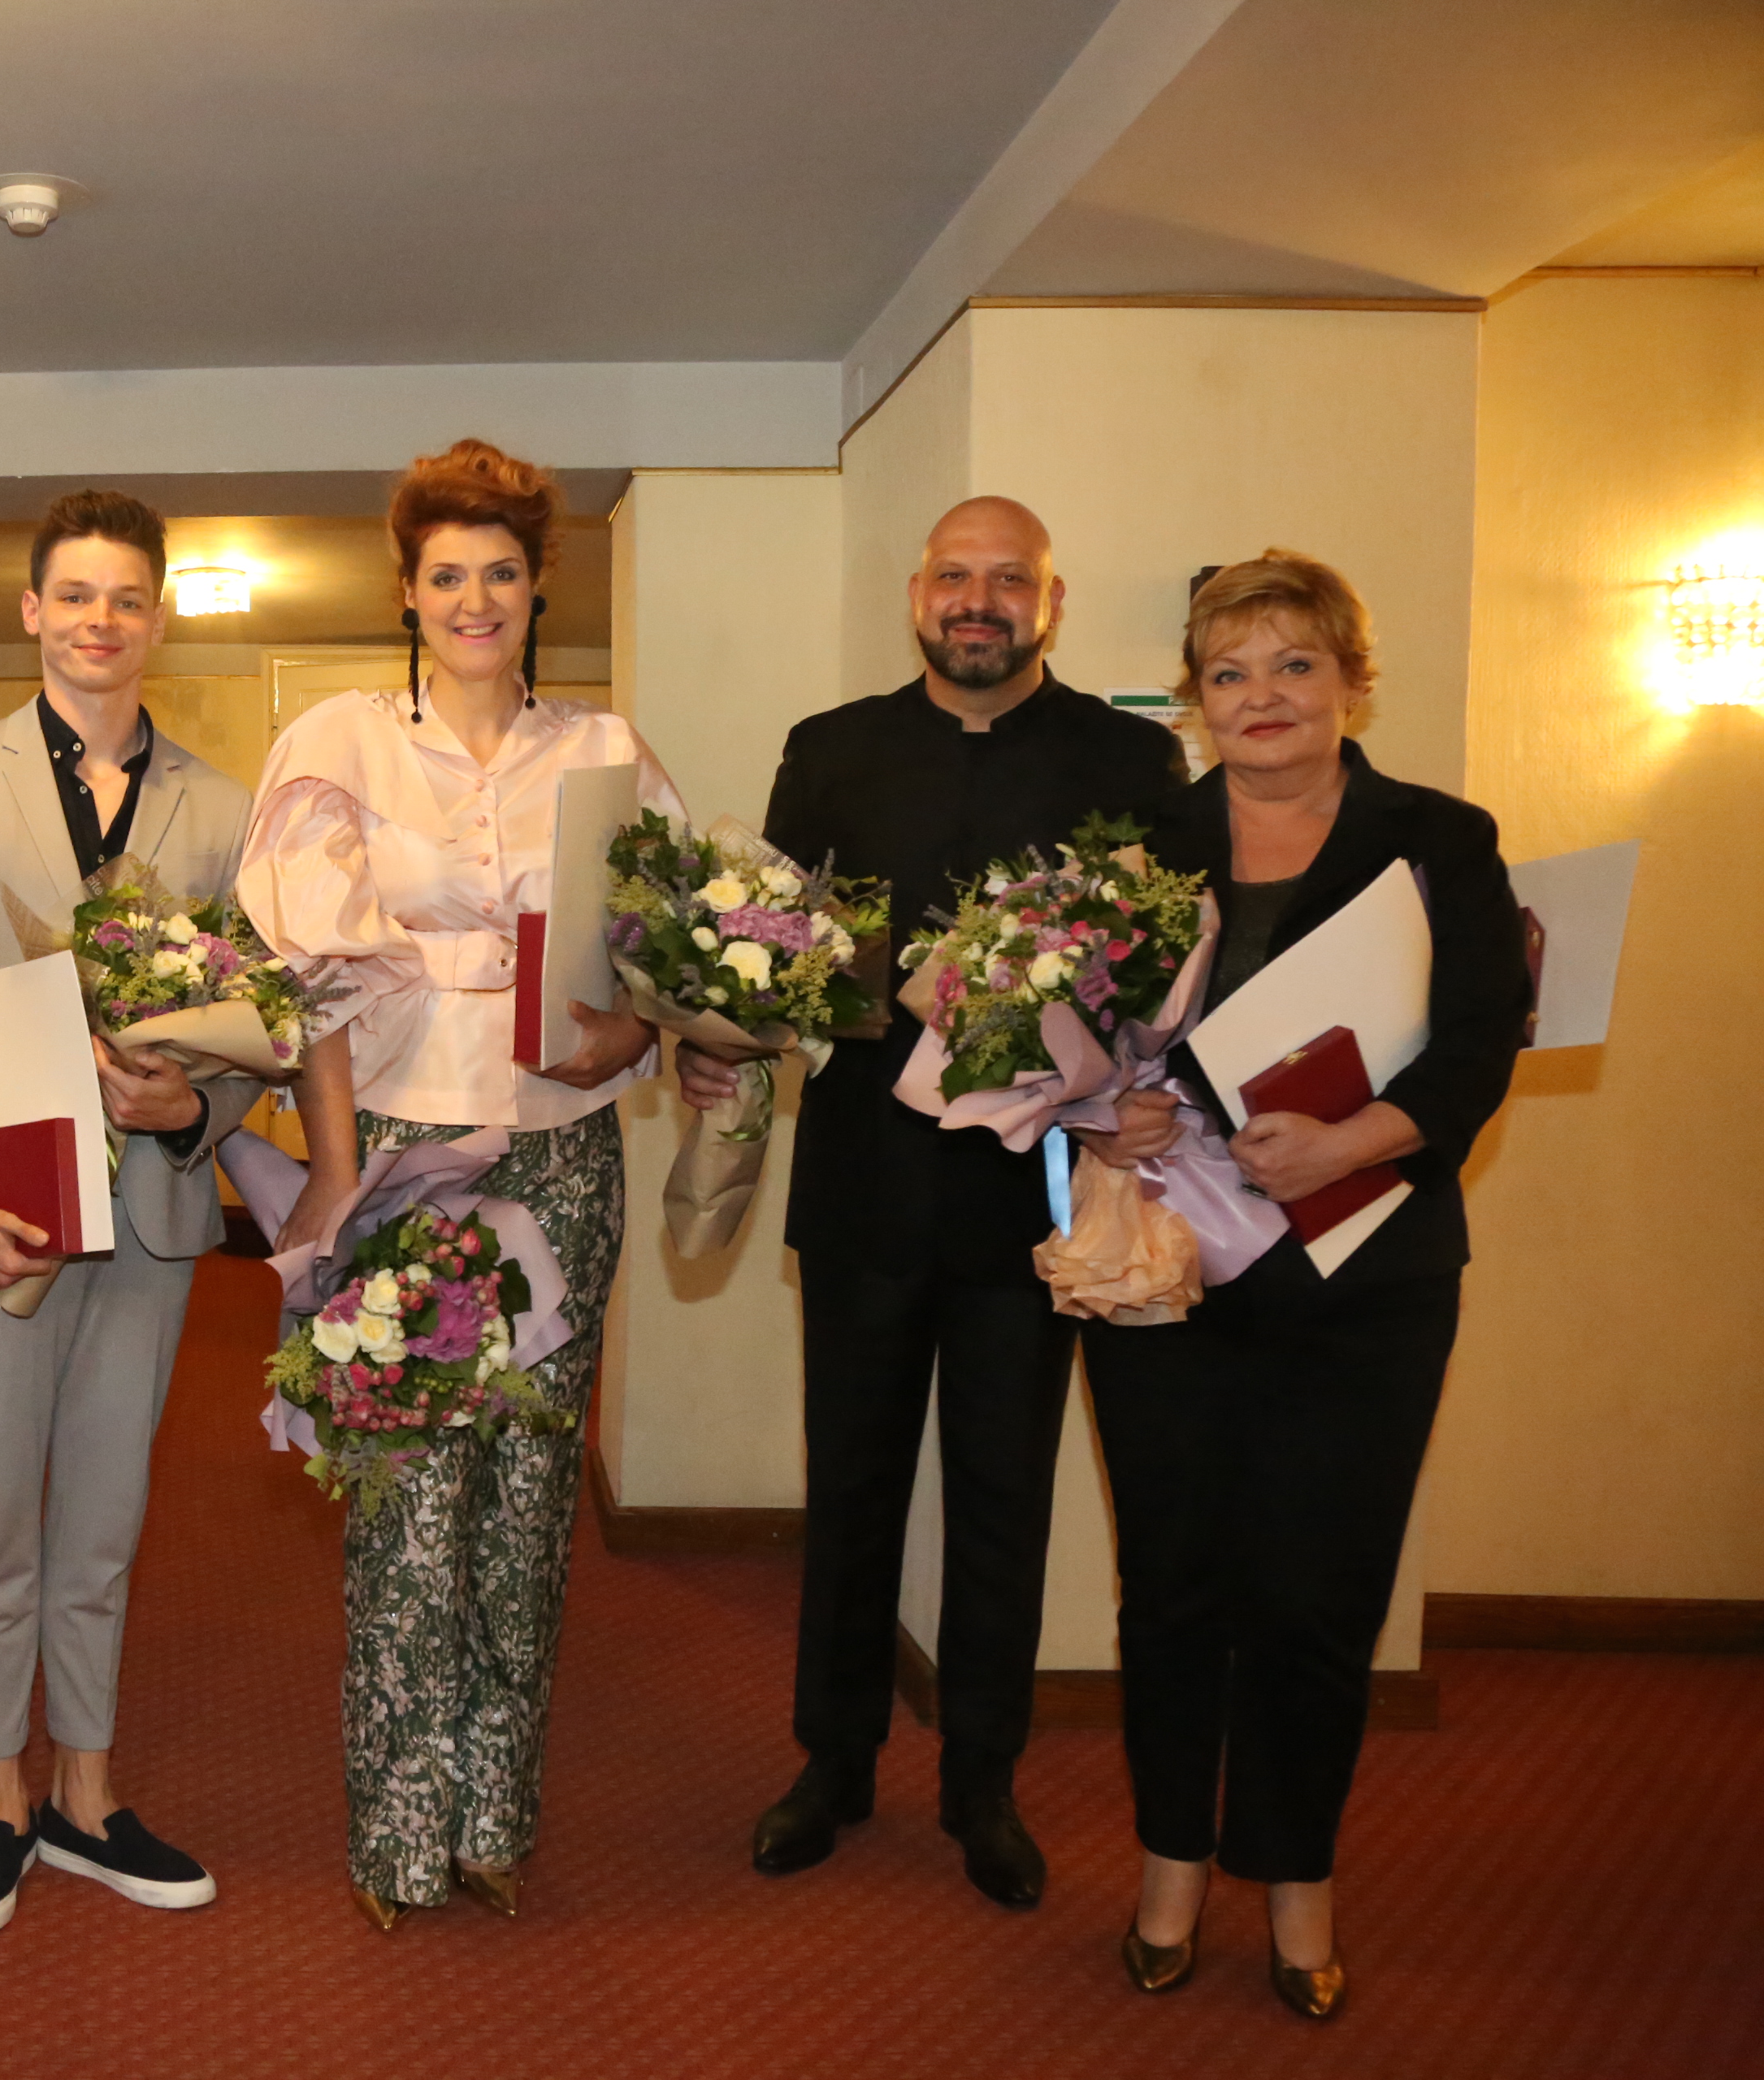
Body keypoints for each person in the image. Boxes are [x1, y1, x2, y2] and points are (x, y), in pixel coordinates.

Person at [682, 496, 1182, 1909]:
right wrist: (722, 1037)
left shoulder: (1127, 761)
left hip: (1035, 1201)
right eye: (957, 576)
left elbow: (1162, 972)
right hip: (863, 1190)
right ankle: (833, 1762)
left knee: (1005, 1500)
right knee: (850, 1491)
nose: (980, 600)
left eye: (1009, 579)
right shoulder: (831, 750)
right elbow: (772, 954)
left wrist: (1147, 1089)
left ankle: (983, 1783)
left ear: (1051, 601)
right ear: (918, 596)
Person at [1068, 551, 1528, 2020]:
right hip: (1174, 1268)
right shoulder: (1137, 845)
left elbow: (1480, 1043)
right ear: (1196, 700)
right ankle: (1170, 1868)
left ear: (1349, 682)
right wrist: (1106, 1114)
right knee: (1172, 1584)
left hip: (1367, 1276)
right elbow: (1067, 1040)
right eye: (1230, 671)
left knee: (1322, 1594)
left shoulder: (1437, 839)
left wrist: (1349, 1140)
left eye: (1293, 664)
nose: (1261, 696)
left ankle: (1297, 1879)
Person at [241, 439, 685, 1931]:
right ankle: (397, 1831)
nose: (475, 598)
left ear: (539, 583)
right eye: (447, 575)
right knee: (410, 1504)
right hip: (406, 1158)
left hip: (563, 1155)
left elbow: (670, 962)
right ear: (407, 592)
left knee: (529, 1498)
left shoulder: (607, 753)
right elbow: (306, 985)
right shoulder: (340, 744)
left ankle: (495, 1816)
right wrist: (334, 1173)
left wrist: (630, 1032)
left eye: (501, 570)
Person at [0, 489, 261, 1939]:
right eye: (75, 595)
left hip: (150, 1214)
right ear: (32, 610)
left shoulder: (223, 805)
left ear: (158, 619)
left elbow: (255, 1021)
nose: (101, 621)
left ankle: (87, 1794)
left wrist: (192, 1108)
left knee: (103, 1515)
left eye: (127, 598)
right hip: (2, 1214)